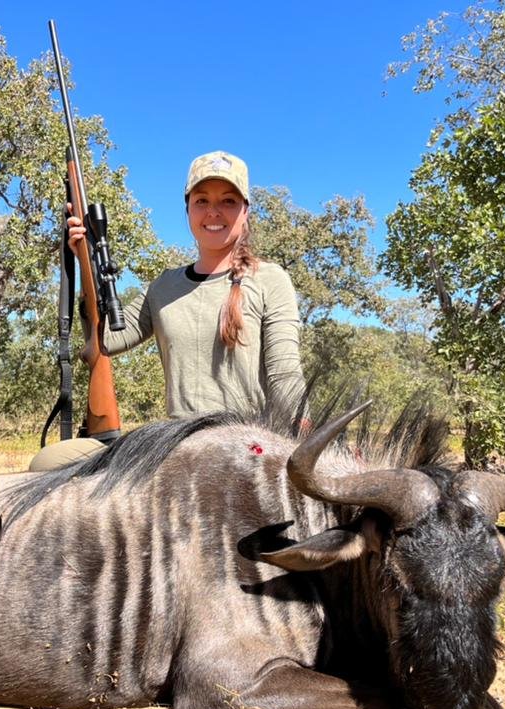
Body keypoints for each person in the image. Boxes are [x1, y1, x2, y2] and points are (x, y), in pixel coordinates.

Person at [30, 150, 306, 471]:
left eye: (228, 201)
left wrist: (309, 442)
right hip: (177, 445)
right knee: (49, 462)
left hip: (248, 447)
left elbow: (285, 375)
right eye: (202, 200)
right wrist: (84, 261)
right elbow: (105, 342)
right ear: (187, 208)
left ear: (245, 211)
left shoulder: (269, 280)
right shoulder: (163, 286)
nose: (213, 212)